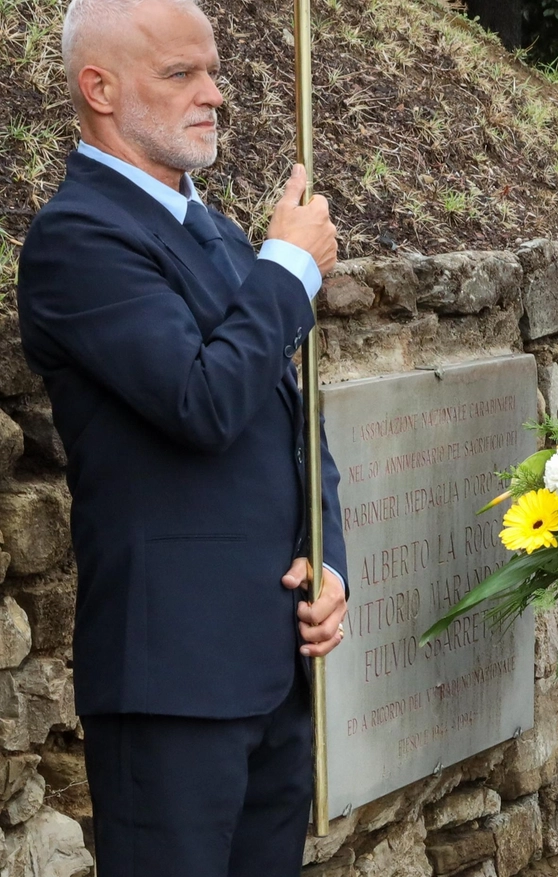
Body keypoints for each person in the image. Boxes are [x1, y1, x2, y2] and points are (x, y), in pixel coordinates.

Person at [17, 0, 349, 872]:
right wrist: (289, 269)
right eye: (182, 74)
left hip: (274, 664)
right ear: (99, 88)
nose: (215, 94)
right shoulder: (76, 239)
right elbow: (201, 401)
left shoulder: (223, 237)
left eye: (211, 70)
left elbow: (294, 420)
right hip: (172, 683)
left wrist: (329, 555)